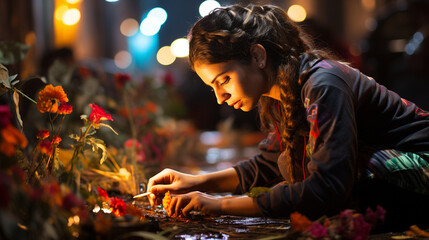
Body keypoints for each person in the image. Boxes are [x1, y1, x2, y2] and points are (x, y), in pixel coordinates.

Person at [147, 4, 429, 231]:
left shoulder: (323, 84)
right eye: (213, 88)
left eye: (225, 80)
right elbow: (268, 165)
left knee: (348, 179)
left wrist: (219, 205)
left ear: (257, 56)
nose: (220, 97)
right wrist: (196, 182)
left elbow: (327, 188)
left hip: (419, 168)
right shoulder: (282, 92)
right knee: (289, 168)